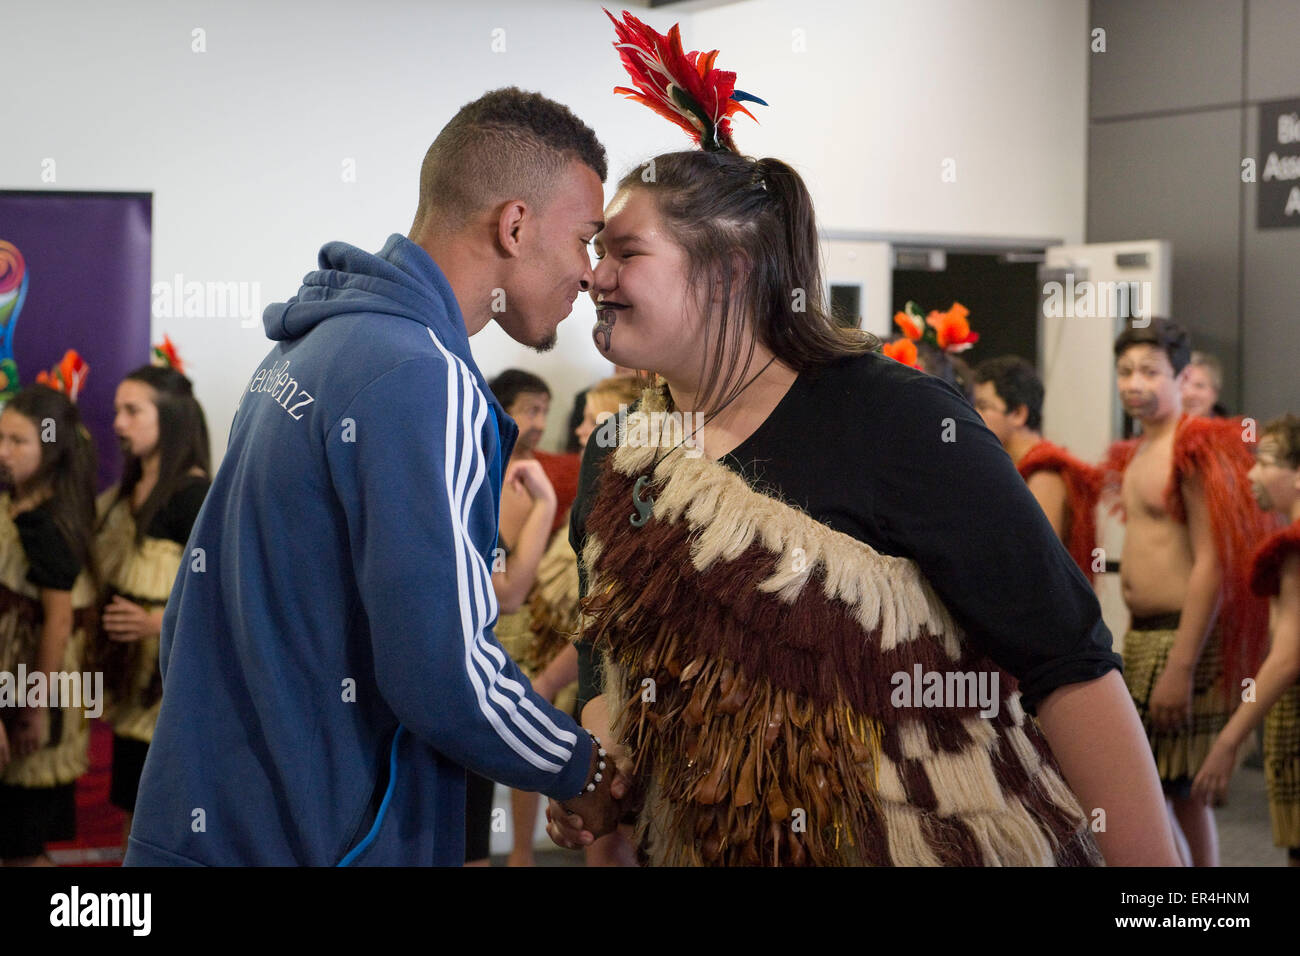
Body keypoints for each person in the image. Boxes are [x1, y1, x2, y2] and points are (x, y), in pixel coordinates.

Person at [546, 9, 1179, 867]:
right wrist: (605, 756)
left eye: (625, 252)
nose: (593, 275)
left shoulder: (904, 424)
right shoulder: (620, 449)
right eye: (593, 251)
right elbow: (603, 643)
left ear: (731, 270)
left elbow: (1067, 661)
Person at [123, 87, 622, 866]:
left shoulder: (311, 344)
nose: (591, 274)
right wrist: (577, 765)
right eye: (586, 239)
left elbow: (198, 609)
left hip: (213, 821)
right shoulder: (423, 378)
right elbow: (443, 667)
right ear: (515, 224)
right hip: (319, 841)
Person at [1103, 318, 1273, 866]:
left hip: (1184, 642)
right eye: (1126, 371)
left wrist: (1180, 665)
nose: (1135, 382)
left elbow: (1212, 564)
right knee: (1157, 791)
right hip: (1147, 637)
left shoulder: (1194, 448)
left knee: (1179, 791)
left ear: (1182, 377)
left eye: (1151, 371)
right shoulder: (1137, 450)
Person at [92, 359, 210, 848]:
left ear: (170, 417)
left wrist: (153, 623)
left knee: (165, 823)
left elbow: (220, 599)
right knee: (132, 815)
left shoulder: (195, 495)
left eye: (132, 411)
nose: (118, 423)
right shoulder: (125, 492)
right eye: (118, 410)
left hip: (170, 698)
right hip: (126, 692)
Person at [1192, 413, 1300, 865]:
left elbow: (1289, 657)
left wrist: (1227, 741)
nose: (1252, 473)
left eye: (1266, 462)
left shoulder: (1293, 548)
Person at [0, 381, 98, 866]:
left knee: (21, 840)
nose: (4, 452)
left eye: (18, 442)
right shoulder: (12, 504)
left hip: (33, 684)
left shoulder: (47, 525)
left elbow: (58, 623)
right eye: (1, 439)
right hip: (9, 676)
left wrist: (34, 707)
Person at [973, 355, 1103, 582]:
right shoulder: (1015, 467)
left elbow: (1035, 561)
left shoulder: (1044, 472)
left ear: (1018, 414)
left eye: (983, 406)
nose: (973, 414)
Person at [1182, 351, 1228, 418]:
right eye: (1182, 387)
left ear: (1215, 392)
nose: (1190, 393)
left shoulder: (1235, 428)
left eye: (1199, 386)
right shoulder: (1163, 427)